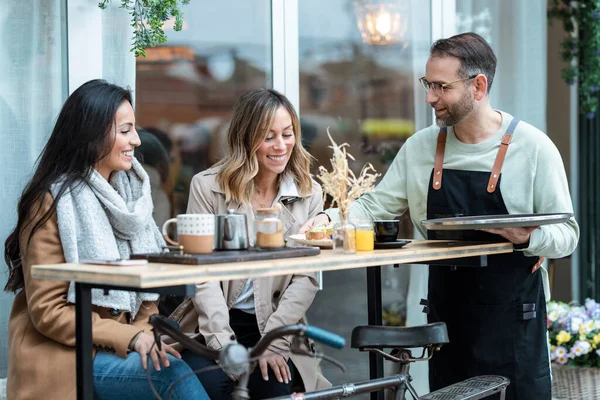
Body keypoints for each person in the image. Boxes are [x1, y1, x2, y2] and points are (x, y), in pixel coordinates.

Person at [300, 32, 579, 400]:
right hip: (446, 322)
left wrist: (526, 236)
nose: (430, 97)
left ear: (478, 86)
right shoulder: (421, 147)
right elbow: (371, 207)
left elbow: (567, 235)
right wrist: (327, 220)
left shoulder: (534, 149)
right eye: (427, 84)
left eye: (441, 87)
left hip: (512, 325)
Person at [4, 79, 208, 400]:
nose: (137, 140)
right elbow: (48, 310)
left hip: (123, 343)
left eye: (134, 129)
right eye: (125, 130)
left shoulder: (130, 198)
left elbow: (147, 294)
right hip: (73, 355)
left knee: (216, 361)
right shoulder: (52, 201)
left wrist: (142, 331)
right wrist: (129, 337)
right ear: (92, 133)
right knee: (172, 374)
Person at [168, 88, 330, 399]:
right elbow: (202, 274)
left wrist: (274, 345)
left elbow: (306, 277)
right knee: (213, 387)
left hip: (274, 326)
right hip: (210, 327)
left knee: (274, 385)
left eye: (287, 134)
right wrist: (224, 346)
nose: (281, 146)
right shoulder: (207, 187)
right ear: (245, 138)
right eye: (269, 137)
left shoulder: (310, 193)